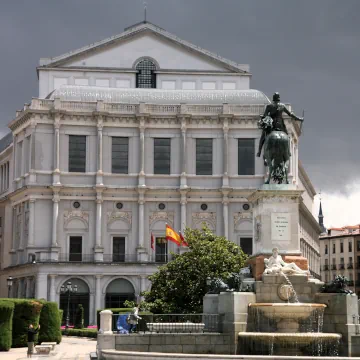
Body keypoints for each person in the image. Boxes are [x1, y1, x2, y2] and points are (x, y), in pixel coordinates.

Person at [257, 92, 303, 160]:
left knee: (263, 136)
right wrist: (298, 118)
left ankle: (259, 151)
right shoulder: (282, 106)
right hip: (280, 125)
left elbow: (265, 116)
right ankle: (288, 151)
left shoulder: (269, 106)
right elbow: (290, 114)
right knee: (287, 137)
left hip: (272, 125)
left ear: (273, 99)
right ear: (279, 99)